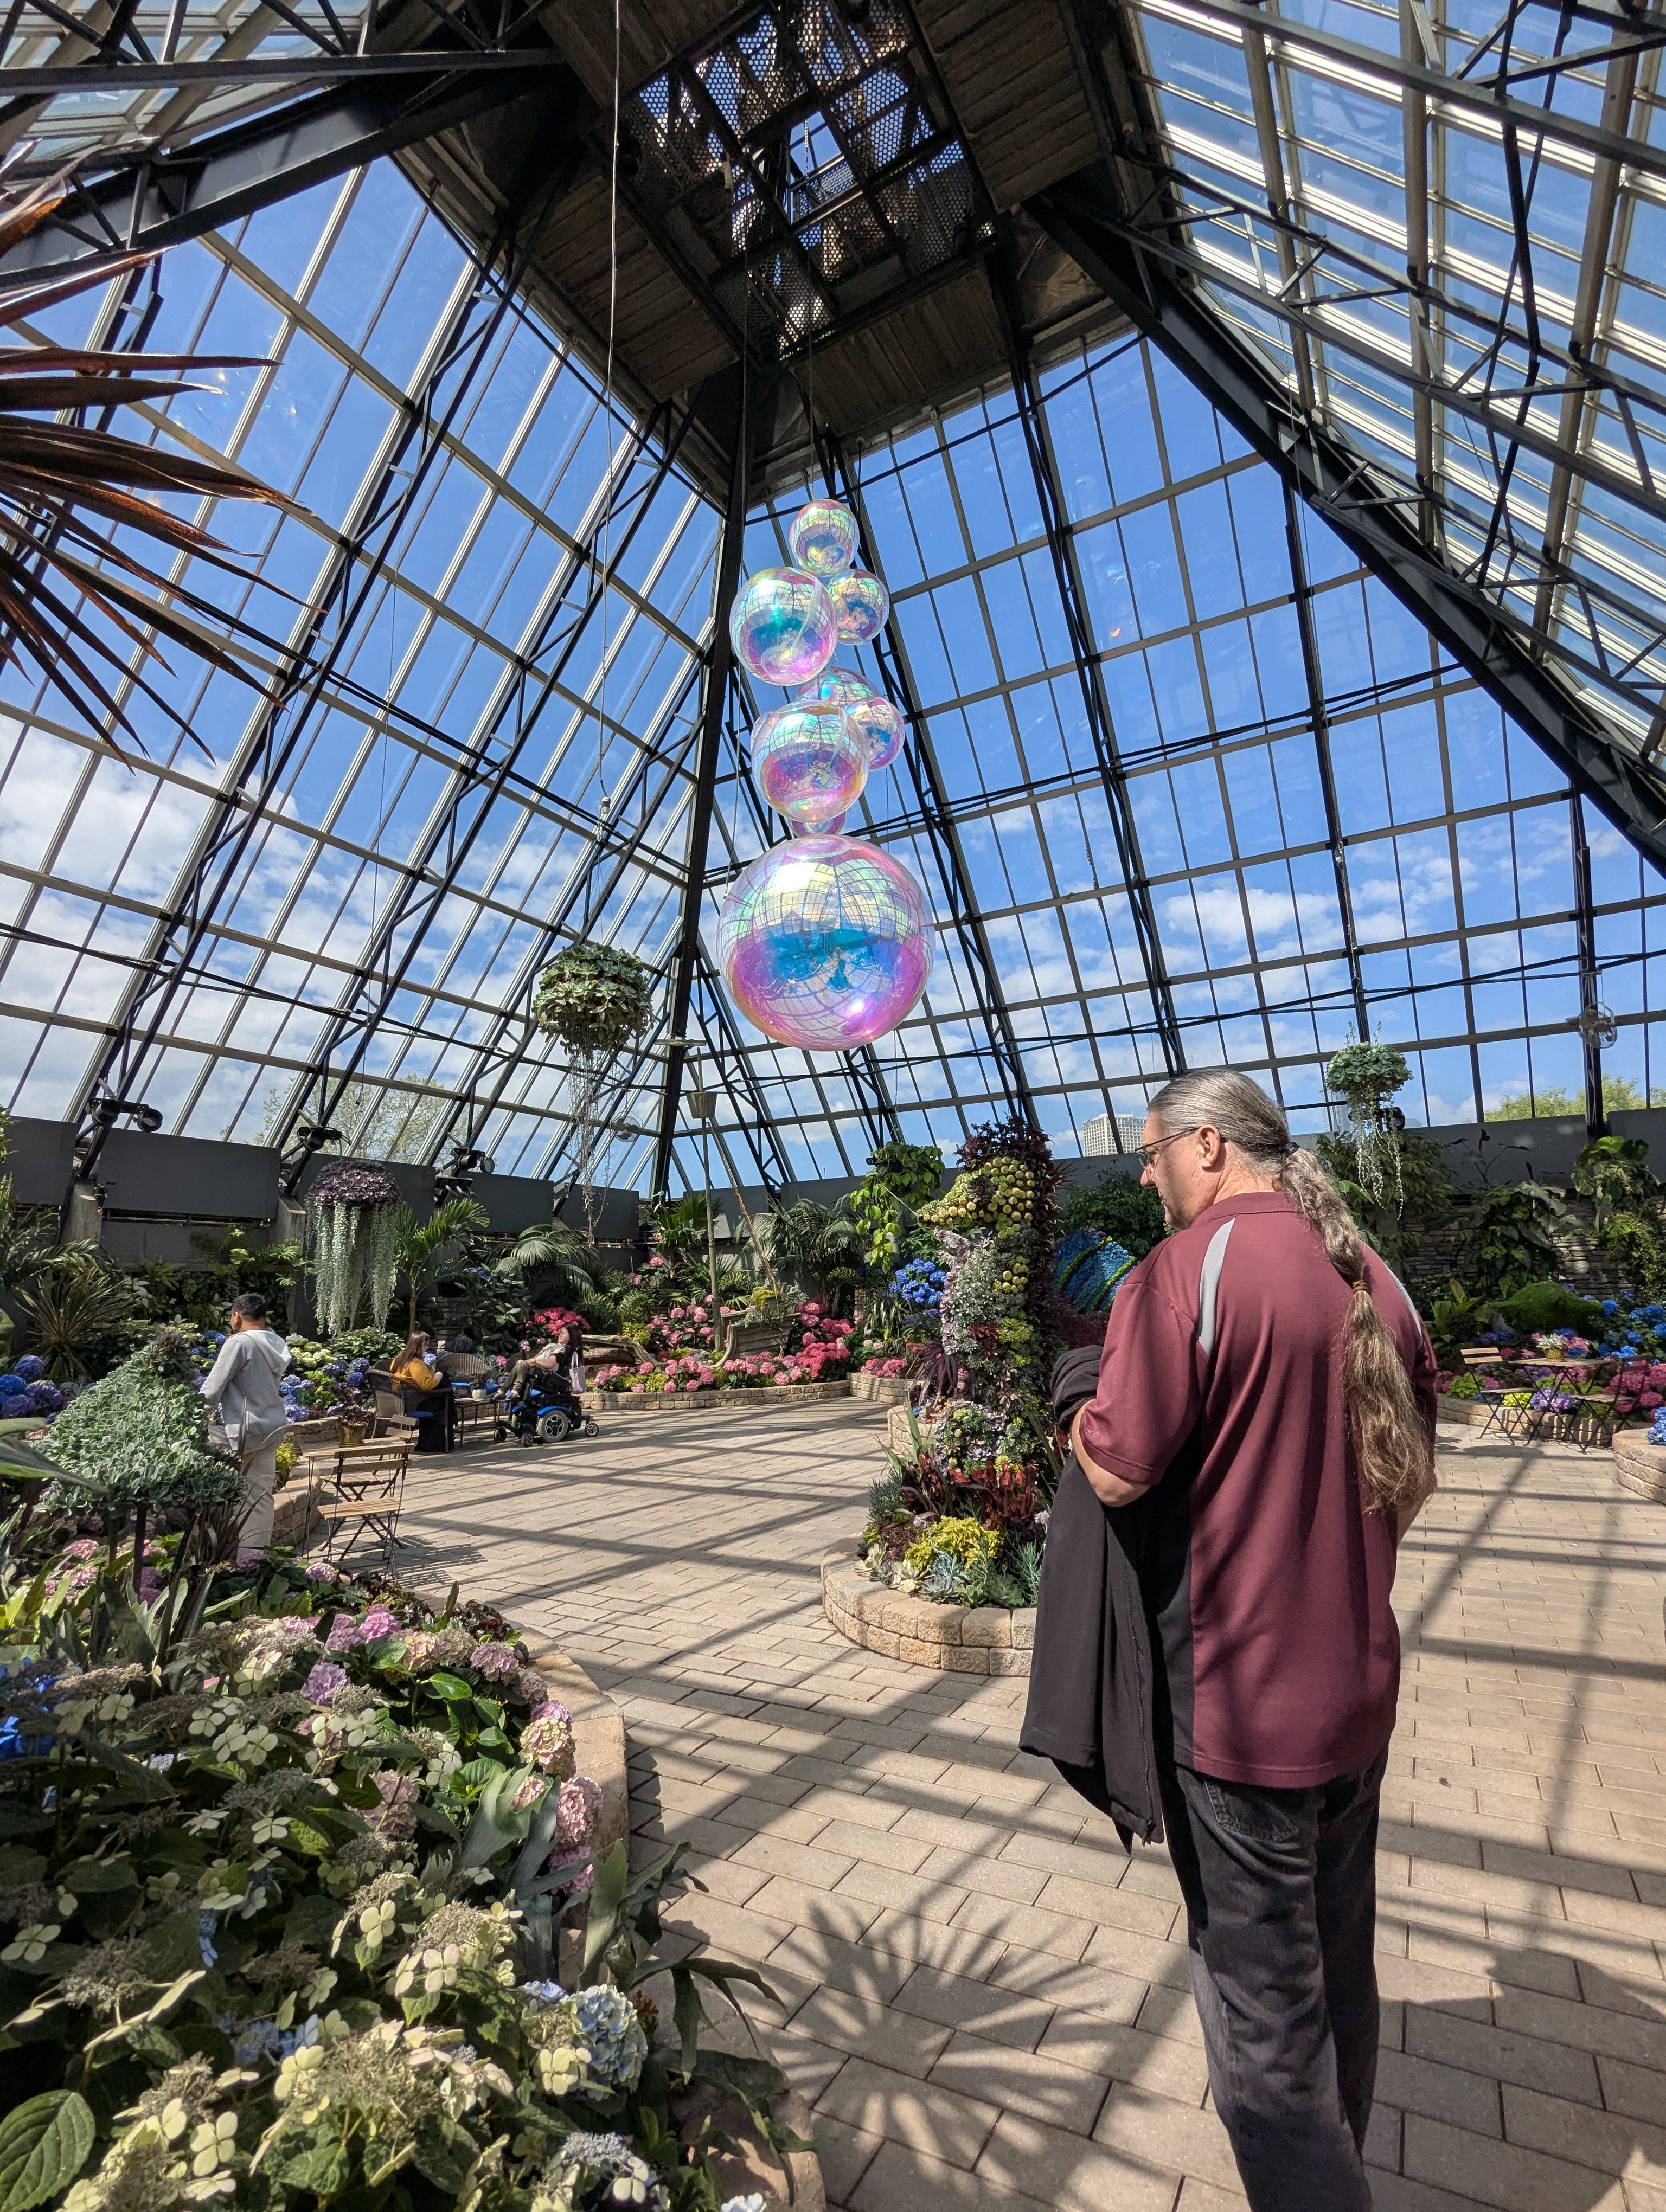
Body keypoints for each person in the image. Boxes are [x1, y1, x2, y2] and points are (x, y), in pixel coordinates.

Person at [1029, 1070, 1437, 2212]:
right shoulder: (1377, 1278)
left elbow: (1117, 1468)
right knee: (1336, 1971)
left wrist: (1073, 1401)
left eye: (1152, 1151)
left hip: (1238, 1713)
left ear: (1206, 1146)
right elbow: (1407, 1476)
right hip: (1356, 1698)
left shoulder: (1184, 1272)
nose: (1144, 1175)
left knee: (1264, 2023)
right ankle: (1341, 2158)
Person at [198, 1293, 290, 1550]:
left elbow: (211, 1391)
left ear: (236, 1317)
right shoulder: (276, 1342)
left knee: (218, 1486)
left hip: (244, 1432)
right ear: (264, 1317)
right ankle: (255, 1560)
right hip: (272, 1428)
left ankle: (218, 1553)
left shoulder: (239, 1343)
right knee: (260, 1499)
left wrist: (189, 1418)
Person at [391, 1330, 454, 1452]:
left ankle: (432, 1441)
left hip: (400, 1401)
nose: (427, 1348)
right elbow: (427, 1386)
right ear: (421, 1345)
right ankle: (441, 1442)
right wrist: (439, 1375)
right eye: (427, 1345)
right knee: (446, 1401)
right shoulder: (415, 1363)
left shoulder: (398, 1360)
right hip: (414, 1404)